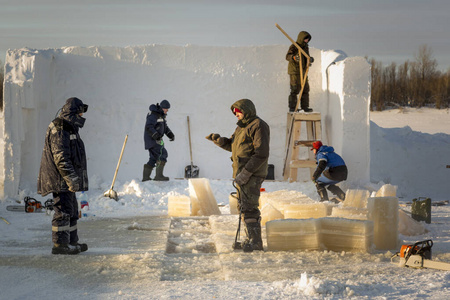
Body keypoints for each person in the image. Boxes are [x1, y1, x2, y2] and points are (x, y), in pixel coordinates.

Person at [206, 99, 270, 252]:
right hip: (242, 174)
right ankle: (250, 239)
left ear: (246, 110)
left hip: (251, 174)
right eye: (234, 112)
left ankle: (256, 243)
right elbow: (235, 147)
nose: (236, 115)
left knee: (250, 208)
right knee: (243, 207)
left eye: (238, 111)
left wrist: (247, 172)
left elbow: (261, 153)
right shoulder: (242, 127)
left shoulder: (258, 126)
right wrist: (221, 142)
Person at [37, 97, 89, 255]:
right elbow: (61, 157)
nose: (81, 115)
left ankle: (72, 241)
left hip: (65, 178)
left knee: (72, 210)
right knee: (63, 210)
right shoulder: (60, 127)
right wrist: (71, 178)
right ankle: (60, 245)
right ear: (74, 112)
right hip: (59, 178)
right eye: (80, 112)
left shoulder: (69, 127)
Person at [142, 99, 175, 181]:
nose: (167, 110)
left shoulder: (161, 116)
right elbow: (149, 126)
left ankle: (146, 178)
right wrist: (155, 135)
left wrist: (170, 134)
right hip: (153, 140)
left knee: (153, 158)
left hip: (154, 140)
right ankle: (159, 176)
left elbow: (165, 128)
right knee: (162, 154)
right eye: (166, 109)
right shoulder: (154, 115)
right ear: (162, 108)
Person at [286, 30, 314, 112]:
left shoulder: (305, 47)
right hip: (295, 71)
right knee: (295, 89)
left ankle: (305, 107)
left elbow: (307, 57)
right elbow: (287, 56)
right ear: (301, 38)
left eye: (308, 39)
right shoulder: (294, 46)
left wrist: (310, 59)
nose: (307, 41)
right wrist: (294, 57)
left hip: (304, 71)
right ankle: (293, 108)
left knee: (305, 89)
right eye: (305, 39)